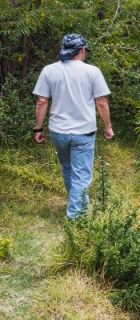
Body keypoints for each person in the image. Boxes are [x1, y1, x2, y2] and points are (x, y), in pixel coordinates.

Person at [32, 34, 113, 219]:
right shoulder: (92, 71)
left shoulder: (49, 70)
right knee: (82, 176)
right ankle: (75, 219)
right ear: (82, 50)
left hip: (58, 132)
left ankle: (75, 202)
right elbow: (101, 102)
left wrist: (38, 128)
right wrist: (107, 126)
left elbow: (42, 101)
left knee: (68, 168)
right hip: (83, 132)